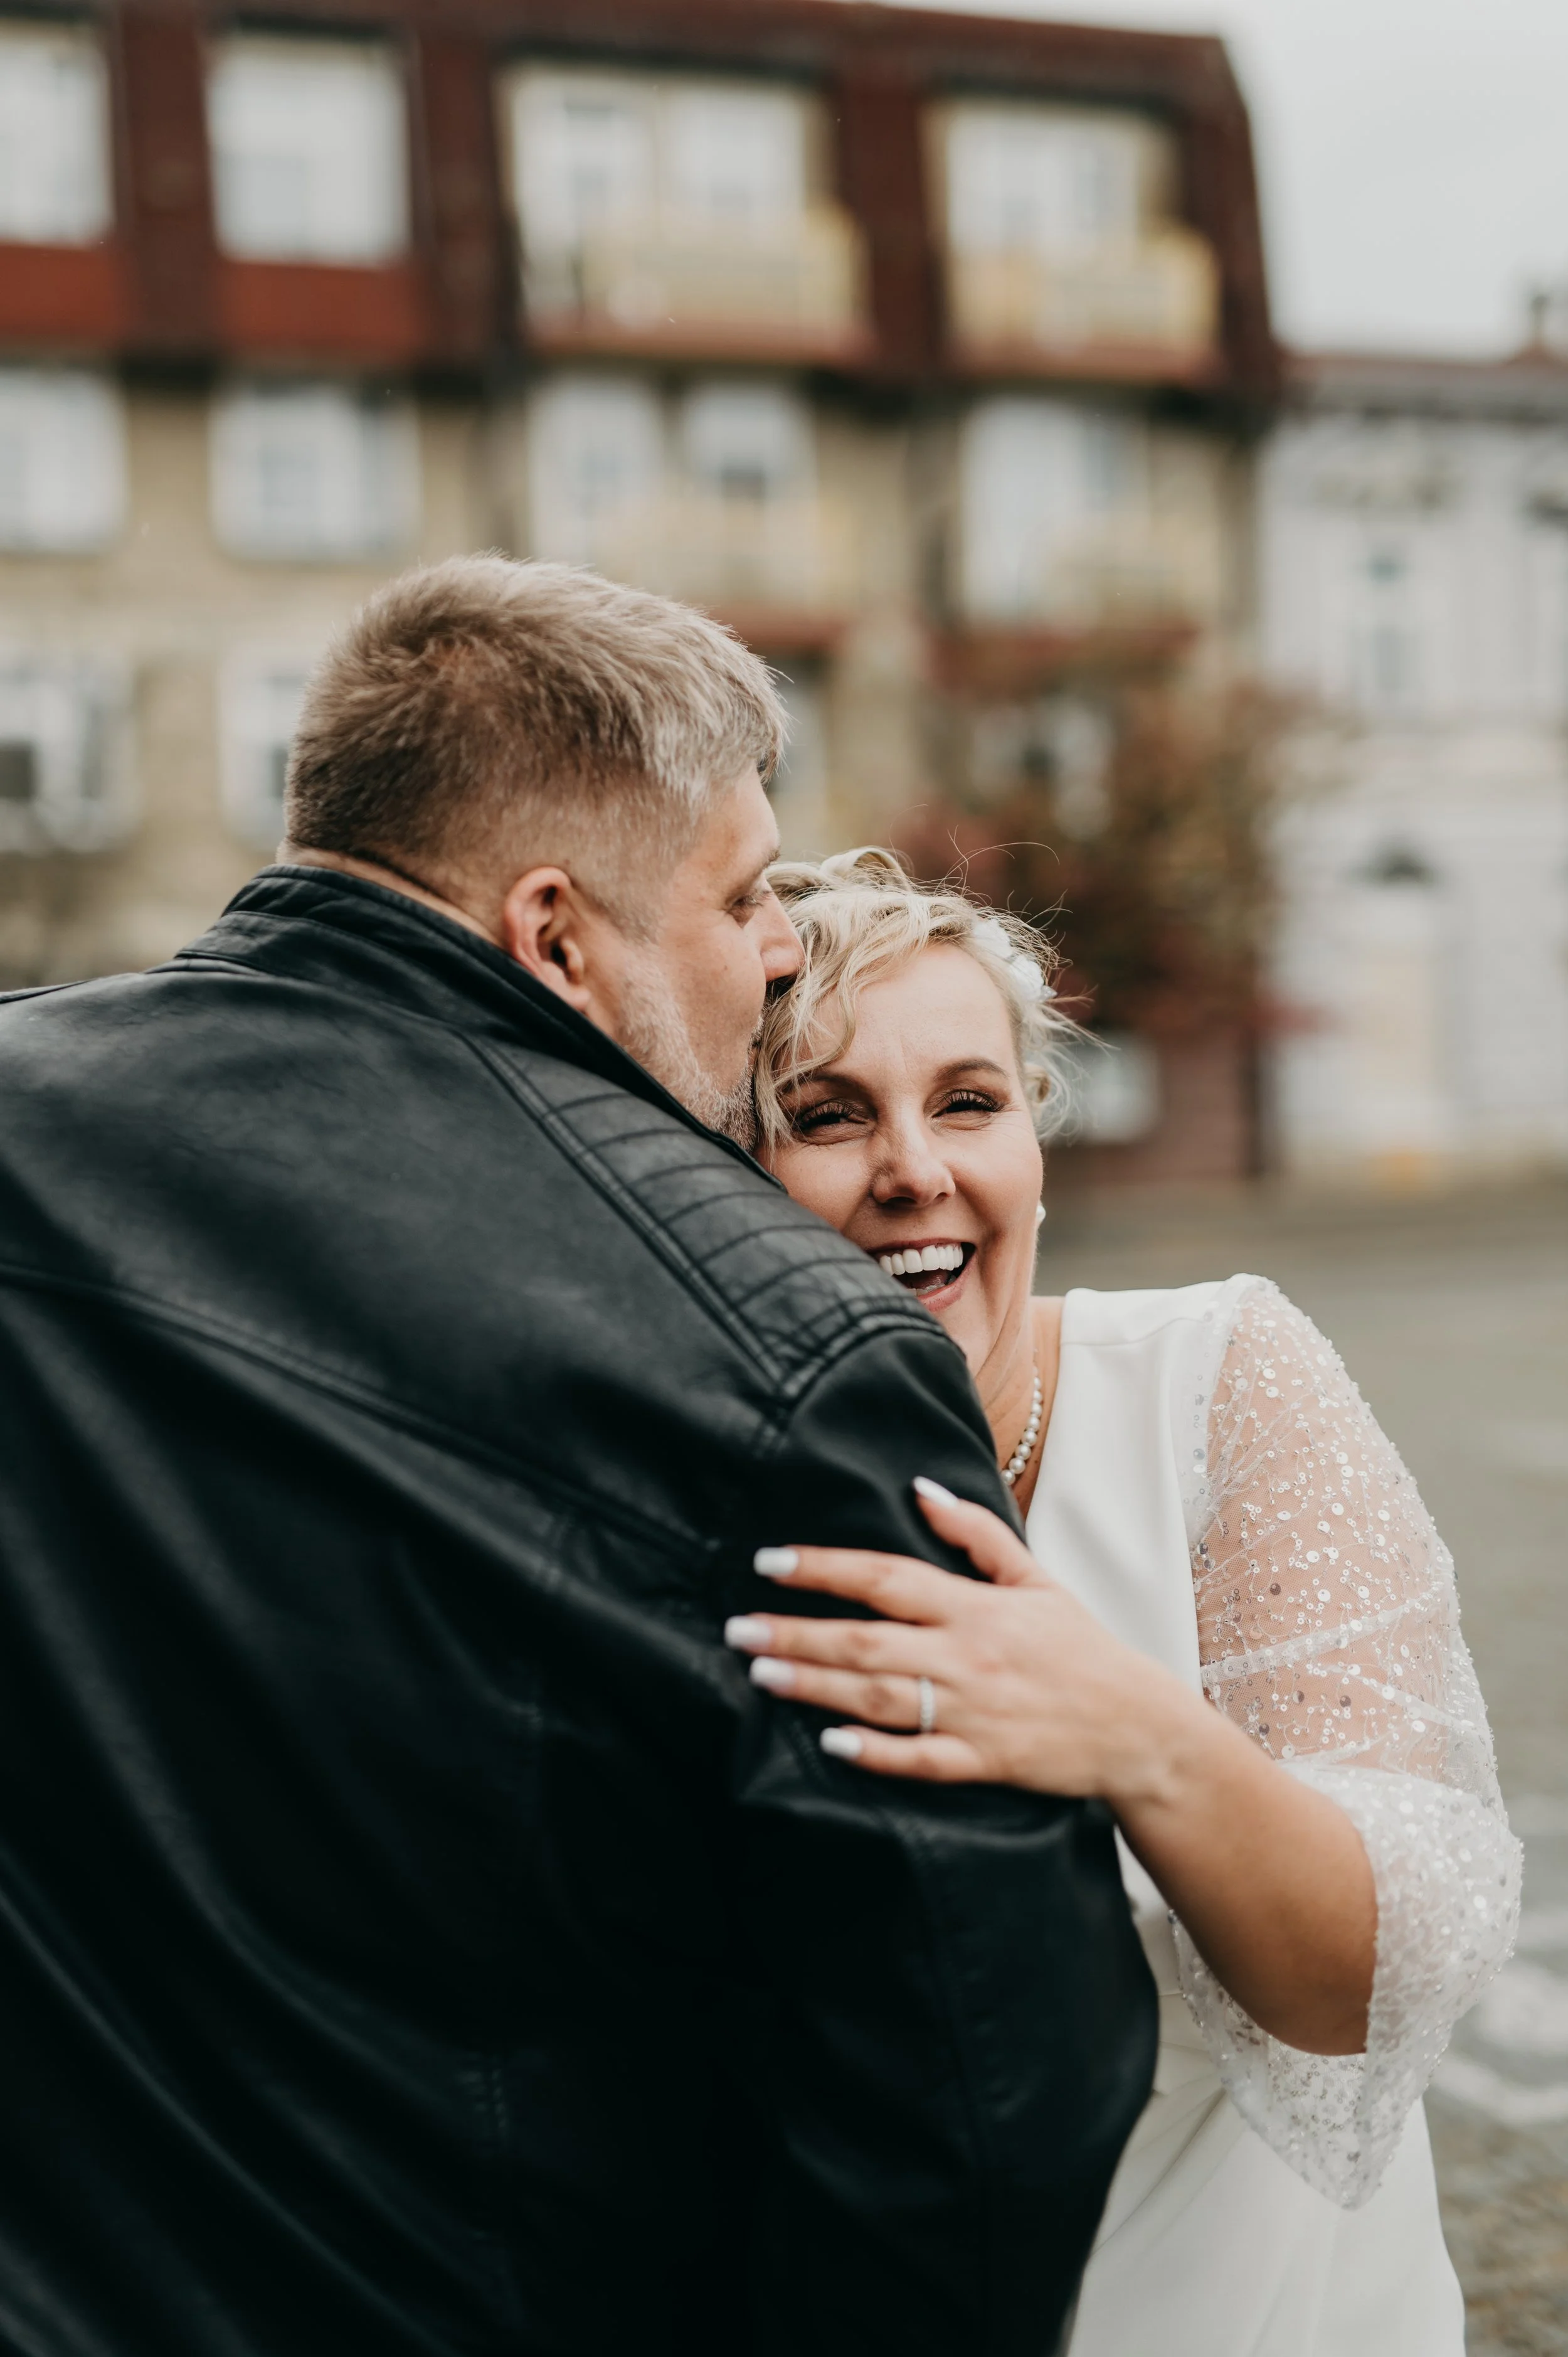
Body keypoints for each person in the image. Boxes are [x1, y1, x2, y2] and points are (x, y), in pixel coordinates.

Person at [0, 564, 1154, 2357]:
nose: (777, 945)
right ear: (554, 932)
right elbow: (970, 2074)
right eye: (745, 892)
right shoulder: (783, 1343)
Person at [724, 848, 1522, 2357]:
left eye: (968, 1101)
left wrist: (1133, 1733)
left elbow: (1357, 1980)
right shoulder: (684, 1476)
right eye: (821, 1118)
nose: (912, 1169)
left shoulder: (1217, 1380)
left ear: (1034, 1136)